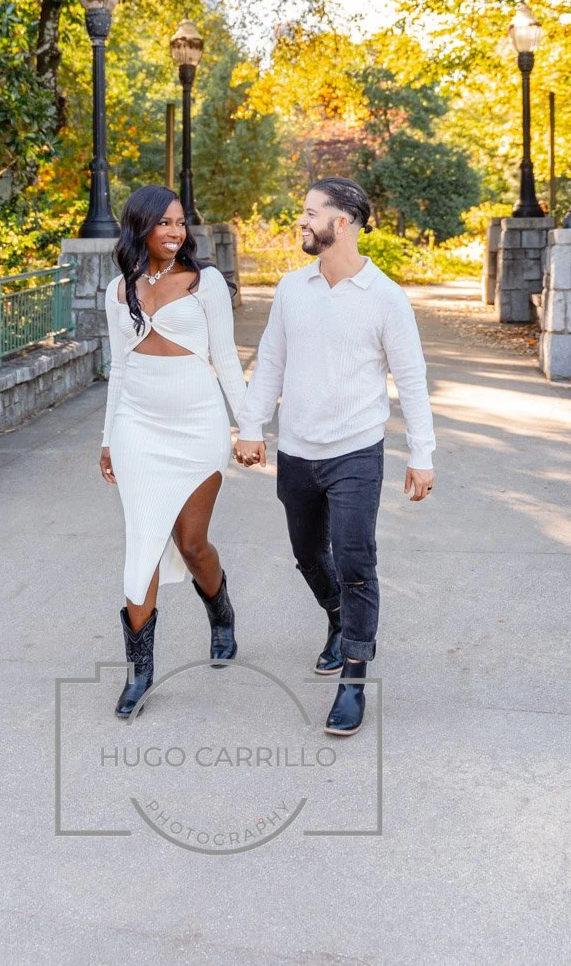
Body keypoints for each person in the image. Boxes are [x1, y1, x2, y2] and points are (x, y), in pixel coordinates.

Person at [234, 176, 436, 737]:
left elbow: (412, 381)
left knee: (355, 561)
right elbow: (269, 362)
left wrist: (422, 455)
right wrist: (251, 427)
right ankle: (336, 620)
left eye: (309, 213)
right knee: (307, 554)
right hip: (297, 449)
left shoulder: (386, 298)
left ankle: (353, 673)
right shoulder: (292, 289)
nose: (300, 221)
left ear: (340, 223)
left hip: (356, 450)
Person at [100, 185, 249, 718]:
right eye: (163, 222)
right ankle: (140, 674)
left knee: (191, 543)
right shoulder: (119, 290)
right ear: (139, 226)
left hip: (198, 424)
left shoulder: (205, 283)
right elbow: (119, 368)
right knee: (143, 543)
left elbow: (226, 359)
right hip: (138, 427)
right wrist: (107, 438)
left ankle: (221, 614)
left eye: (180, 222)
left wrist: (248, 426)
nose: (174, 231)